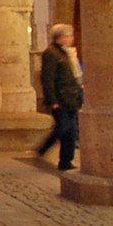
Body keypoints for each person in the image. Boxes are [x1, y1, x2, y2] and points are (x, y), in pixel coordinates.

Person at [36, 23, 82, 171]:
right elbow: (48, 78)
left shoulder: (66, 53)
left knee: (71, 131)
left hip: (71, 98)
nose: (71, 38)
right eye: (68, 35)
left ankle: (65, 161)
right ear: (60, 37)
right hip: (61, 99)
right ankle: (43, 148)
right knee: (64, 128)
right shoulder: (52, 53)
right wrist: (52, 100)